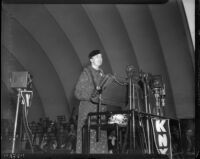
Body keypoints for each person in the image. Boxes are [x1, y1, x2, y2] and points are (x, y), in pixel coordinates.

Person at [75, 50, 108, 154]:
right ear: (91, 60)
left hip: (100, 112)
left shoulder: (103, 74)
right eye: (97, 57)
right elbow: (77, 92)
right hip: (88, 111)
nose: (100, 59)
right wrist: (92, 95)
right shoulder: (86, 73)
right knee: (88, 139)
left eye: (101, 57)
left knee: (101, 138)